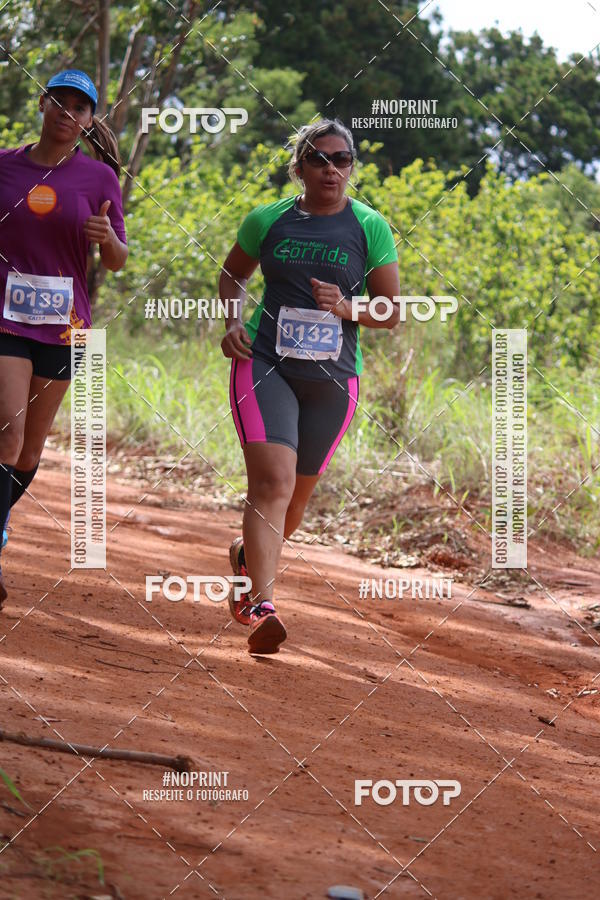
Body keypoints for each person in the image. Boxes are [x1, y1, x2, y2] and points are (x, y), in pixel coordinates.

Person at [219, 118, 401, 654]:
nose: (331, 169)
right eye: (319, 159)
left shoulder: (370, 227)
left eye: (341, 159)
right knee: (271, 485)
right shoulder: (267, 220)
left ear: (352, 167)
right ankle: (260, 606)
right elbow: (233, 274)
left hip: (333, 378)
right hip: (265, 363)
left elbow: (390, 310)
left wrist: (347, 308)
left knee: (294, 504)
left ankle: (246, 558)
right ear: (298, 166)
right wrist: (232, 320)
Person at [0, 69, 128, 608]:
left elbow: (119, 261)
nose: (66, 111)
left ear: (89, 119)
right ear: (43, 104)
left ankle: (1, 520)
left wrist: (106, 239)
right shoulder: (4, 165)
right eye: (58, 100)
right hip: (4, 320)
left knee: (29, 452)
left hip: (66, 325)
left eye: (79, 106)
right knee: (7, 436)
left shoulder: (99, 180)